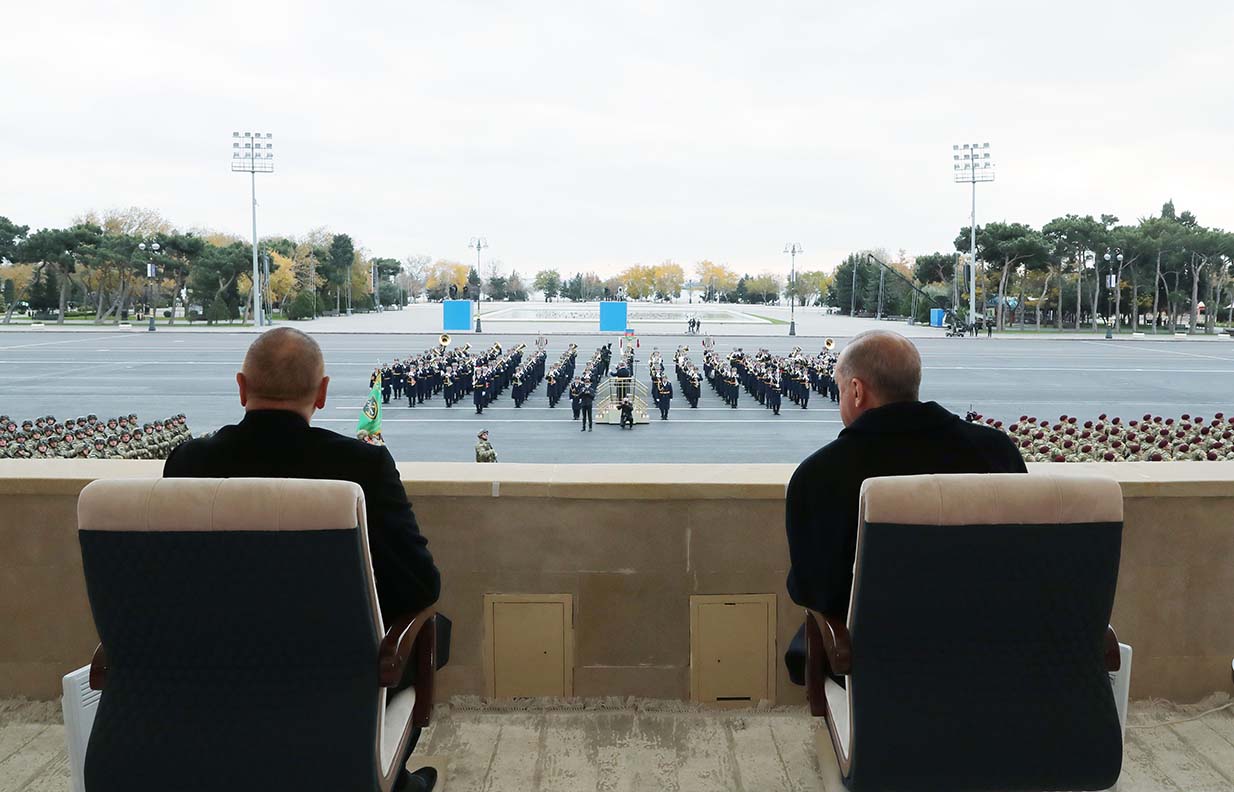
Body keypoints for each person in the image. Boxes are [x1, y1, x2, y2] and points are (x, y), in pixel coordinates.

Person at [163, 327, 442, 792]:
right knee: (435, 633)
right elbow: (420, 586)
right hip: (337, 671)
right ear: (324, 393)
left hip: (212, 666)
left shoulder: (188, 462)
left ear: (241, 387)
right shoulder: (361, 465)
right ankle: (386, 776)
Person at [783, 330, 1026, 688]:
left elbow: (813, 591)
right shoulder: (997, 451)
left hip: (878, 667)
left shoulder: (820, 474)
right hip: (990, 652)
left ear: (856, 391)